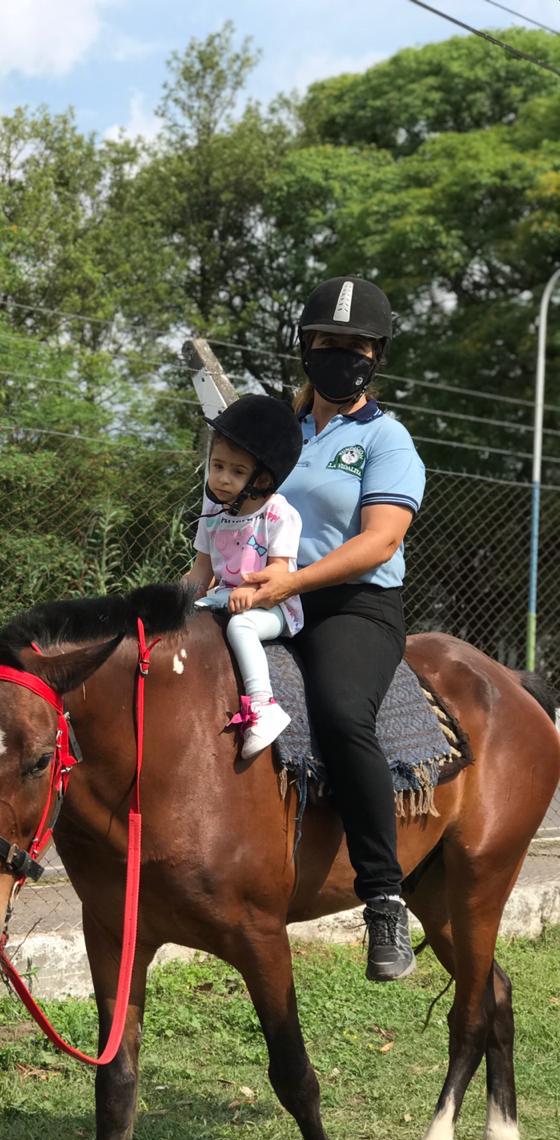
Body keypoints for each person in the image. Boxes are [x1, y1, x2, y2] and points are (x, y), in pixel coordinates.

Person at [241, 276, 426, 982]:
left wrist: (291, 581)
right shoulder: (276, 430)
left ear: (375, 356)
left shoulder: (387, 440)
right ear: (305, 348)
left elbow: (379, 542)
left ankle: (382, 897)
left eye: (355, 347)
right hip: (262, 593)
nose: (340, 356)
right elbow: (229, 493)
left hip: (352, 608)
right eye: (327, 343)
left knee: (345, 714)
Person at [183, 395, 304, 757]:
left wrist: (252, 597)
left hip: (274, 607)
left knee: (241, 627)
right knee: (190, 618)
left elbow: (280, 575)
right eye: (217, 466)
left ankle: (263, 707)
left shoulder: (279, 514)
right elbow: (201, 569)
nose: (221, 479)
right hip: (225, 596)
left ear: (262, 478)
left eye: (237, 472)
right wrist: (175, 603)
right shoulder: (213, 509)